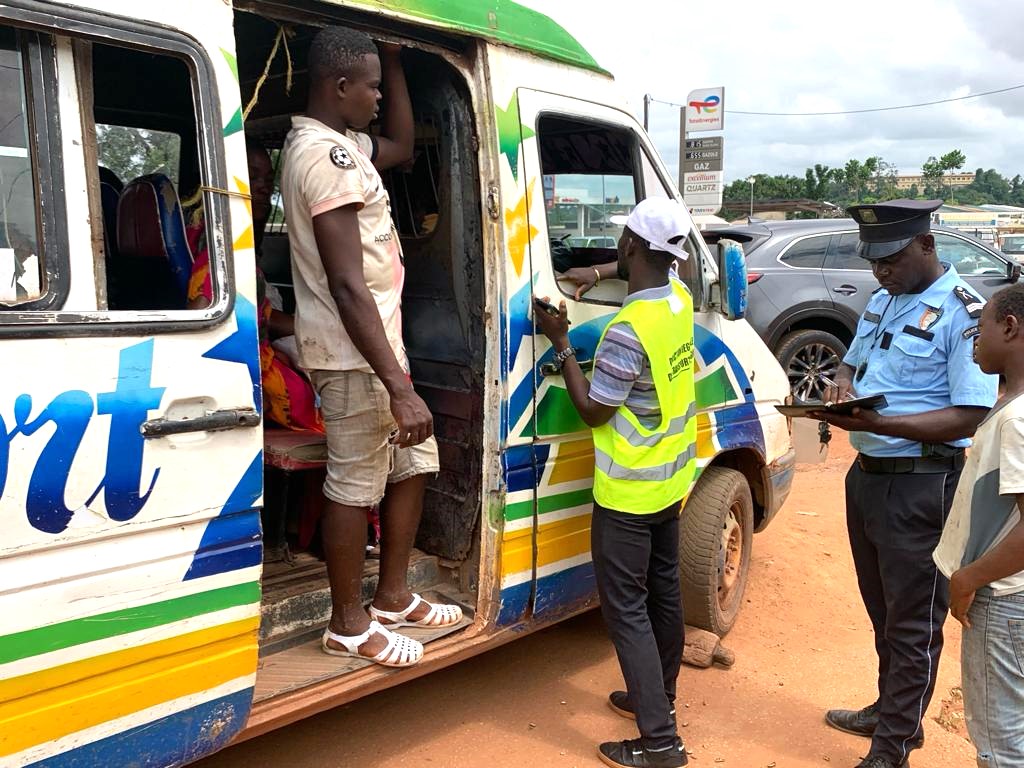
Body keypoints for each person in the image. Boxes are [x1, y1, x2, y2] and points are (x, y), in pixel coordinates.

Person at [280, 26, 461, 668]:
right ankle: (347, 622)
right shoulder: (317, 157)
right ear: (338, 87)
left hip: (381, 350)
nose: (380, 98)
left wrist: (392, 59)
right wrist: (399, 386)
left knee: (414, 465)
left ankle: (391, 595)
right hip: (355, 355)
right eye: (373, 88)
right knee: (355, 485)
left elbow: (407, 147)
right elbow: (348, 286)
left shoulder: (347, 145)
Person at [812, 199, 999, 768]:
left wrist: (881, 423)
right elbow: (854, 360)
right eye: (874, 261)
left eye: (890, 259)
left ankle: (893, 745)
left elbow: (971, 412)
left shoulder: (963, 312)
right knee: (883, 611)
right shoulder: (883, 300)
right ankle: (891, 710)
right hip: (866, 476)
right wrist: (841, 384)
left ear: (925, 244)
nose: (880, 271)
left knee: (914, 620)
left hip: (922, 483)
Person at [534, 197, 698, 768]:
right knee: (664, 592)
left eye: (622, 240)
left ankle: (661, 743)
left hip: (627, 491)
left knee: (626, 610)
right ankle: (660, 697)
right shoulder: (678, 301)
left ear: (630, 246)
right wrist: (603, 271)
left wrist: (559, 342)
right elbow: (655, 268)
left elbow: (595, 411)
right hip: (670, 481)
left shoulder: (627, 331)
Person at [933, 283, 1024, 767]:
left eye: (980, 329)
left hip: (1002, 599)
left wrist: (967, 579)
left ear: (1009, 327)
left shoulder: (1016, 422)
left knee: (1000, 740)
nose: (973, 343)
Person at [187, 141, 323, 433]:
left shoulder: (236, 242)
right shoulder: (219, 251)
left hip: (258, 358)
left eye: (268, 179)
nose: (263, 187)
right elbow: (202, 316)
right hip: (244, 369)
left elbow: (262, 314)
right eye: (252, 176)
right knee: (330, 412)